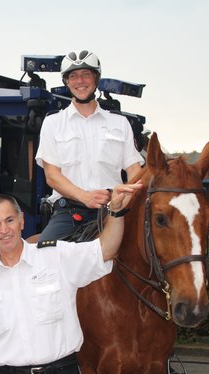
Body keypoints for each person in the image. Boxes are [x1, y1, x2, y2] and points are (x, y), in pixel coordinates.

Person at [0, 183, 142, 374]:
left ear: (22, 221)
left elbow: (105, 250)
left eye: (9, 220)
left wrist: (115, 213)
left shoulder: (56, 257)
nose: (4, 230)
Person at [35, 50, 144, 241]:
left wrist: (123, 197)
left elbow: (135, 170)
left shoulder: (119, 123)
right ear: (66, 82)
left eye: (86, 74)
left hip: (115, 210)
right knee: (45, 256)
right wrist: (85, 197)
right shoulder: (53, 123)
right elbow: (52, 175)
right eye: (73, 76)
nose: (80, 81)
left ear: (96, 78)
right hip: (69, 212)